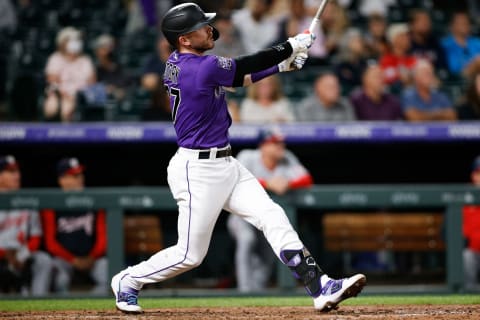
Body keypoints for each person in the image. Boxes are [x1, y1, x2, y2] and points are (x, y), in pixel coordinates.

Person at [111, 3, 365, 314]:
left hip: (226, 165)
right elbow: (244, 65)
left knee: (272, 216)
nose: (208, 29)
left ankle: (320, 286)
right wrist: (288, 47)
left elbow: (233, 80)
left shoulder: (182, 64)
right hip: (197, 170)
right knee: (190, 255)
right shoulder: (199, 67)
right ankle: (128, 279)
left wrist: (281, 67)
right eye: (200, 26)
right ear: (184, 39)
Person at [227, 129, 313, 292]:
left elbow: (306, 178)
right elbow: (232, 177)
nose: (281, 146)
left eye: (281, 143)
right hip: (242, 217)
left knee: (271, 250)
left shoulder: (287, 157)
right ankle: (244, 290)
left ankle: (256, 291)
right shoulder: (248, 156)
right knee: (246, 239)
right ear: (263, 146)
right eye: (275, 143)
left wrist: (289, 183)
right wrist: (267, 183)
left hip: (266, 217)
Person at [41, 158, 108, 294]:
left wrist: (92, 257)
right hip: (64, 260)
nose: (80, 179)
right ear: (62, 180)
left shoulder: (95, 201)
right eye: (74, 175)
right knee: (60, 280)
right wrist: (72, 260)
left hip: (92, 259)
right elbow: (50, 243)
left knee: (110, 276)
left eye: (80, 175)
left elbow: (103, 238)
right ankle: (63, 314)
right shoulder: (51, 204)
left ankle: (91, 311)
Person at [0, 155, 52, 296]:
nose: (16, 175)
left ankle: (38, 302)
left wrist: (22, 255)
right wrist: (5, 255)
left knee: (44, 260)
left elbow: (36, 235)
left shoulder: (27, 200)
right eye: (10, 172)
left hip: (22, 253)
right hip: (2, 255)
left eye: (17, 171)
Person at [43, 27, 96, 122]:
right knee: (52, 107)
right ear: (62, 43)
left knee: (67, 109)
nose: (76, 43)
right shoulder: (55, 58)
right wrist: (63, 94)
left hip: (81, 95)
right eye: (71, 40)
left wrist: (79, 95)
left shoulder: (85, 60)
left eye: (77, 40)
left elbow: (92, 82)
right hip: (60, 93)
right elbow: (52, 80)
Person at [441, 12, 480, 78]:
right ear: (452, 26)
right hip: (458, 77)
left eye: (467, 23)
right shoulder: (446, 45)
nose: (465, 25)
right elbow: (453, 68)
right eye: (461, 23)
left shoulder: (477, 42)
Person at [379, 23, 417, 88]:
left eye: (407, 36)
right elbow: (388, 79)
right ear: (393, 40)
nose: (407, 38)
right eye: (402, 36)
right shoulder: (386, 60)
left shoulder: (412, 59)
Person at [463, 155, 480, 290]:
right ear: (474, 175)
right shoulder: (463, 197)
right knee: (466, 256)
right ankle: (468, 294)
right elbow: (448, 230)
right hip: (472, 251)